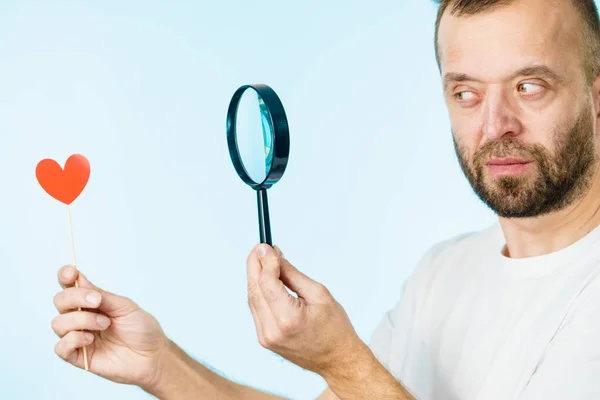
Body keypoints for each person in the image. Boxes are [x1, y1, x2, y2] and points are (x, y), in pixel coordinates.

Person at [50, 0, 600, 398]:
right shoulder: (443, 271)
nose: (493, 125)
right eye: (466, 93)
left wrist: (341, 361)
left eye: (530, 86)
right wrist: (159, 364)